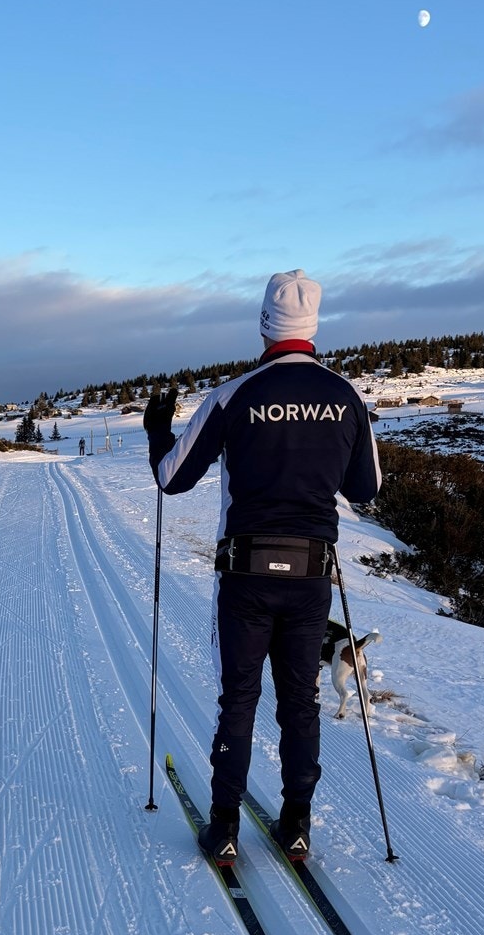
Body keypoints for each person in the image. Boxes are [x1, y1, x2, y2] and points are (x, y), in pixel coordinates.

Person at [144, 270, 381, 865]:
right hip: (310, 578)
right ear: (314, 326)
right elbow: (368, 489)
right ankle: (297, 823)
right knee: (300, 700)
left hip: (246, 574)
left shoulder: (235, 394)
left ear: (265, 324)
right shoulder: (346, 396)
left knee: (240, 698)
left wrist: (156, 432)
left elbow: (172, 478)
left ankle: (224, 825)